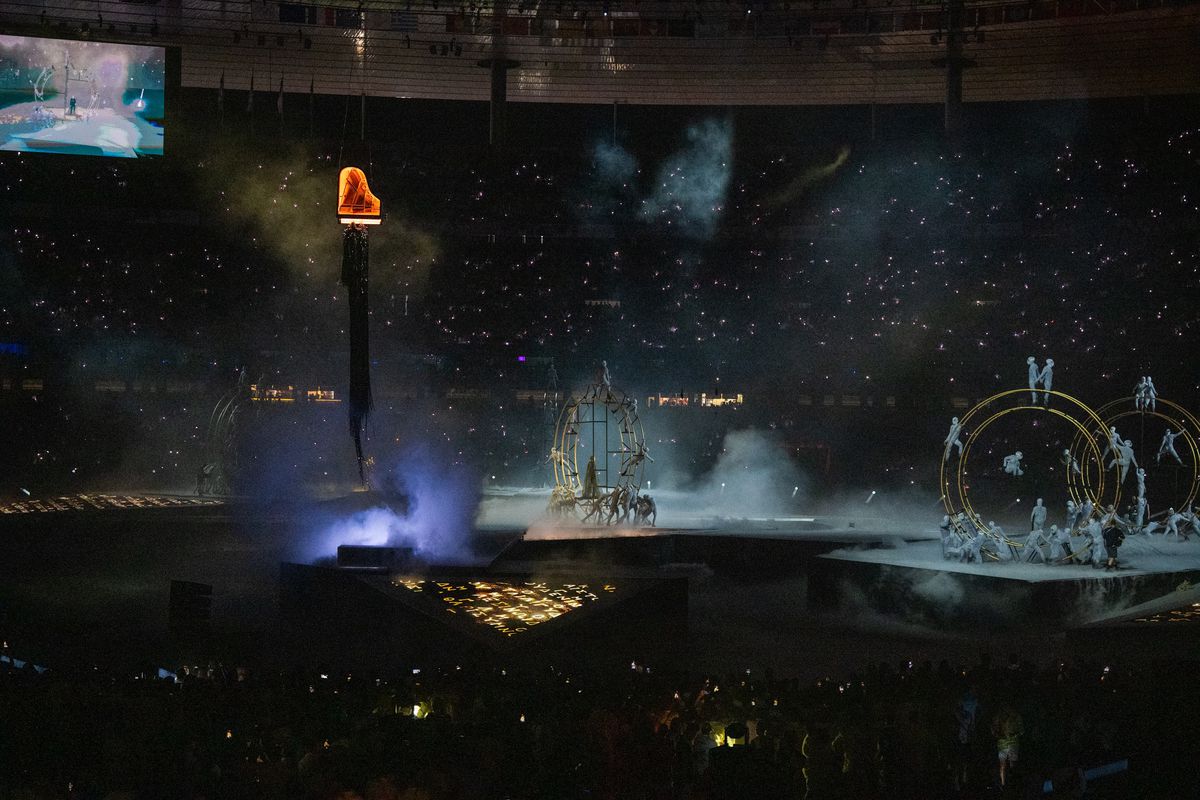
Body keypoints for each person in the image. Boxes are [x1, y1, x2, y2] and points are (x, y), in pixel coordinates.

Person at [991, 705, 1024, 789]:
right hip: (1002, 744)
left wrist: (1015, 734)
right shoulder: (998, 717)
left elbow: (1021, 730)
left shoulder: (1016, 716)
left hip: (1013, 743)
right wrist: (998, 734)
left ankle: (1012, 783)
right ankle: (1003, 785)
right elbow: (993, 729)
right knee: (1002, 765)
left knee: (1012, 764)